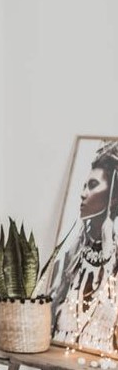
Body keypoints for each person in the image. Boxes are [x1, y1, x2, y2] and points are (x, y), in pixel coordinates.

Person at [50, 141, 118, 354]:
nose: (82, 193)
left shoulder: (113, 261)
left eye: (93, 185)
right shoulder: (71, 255)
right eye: (84, 185)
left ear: (113, 197)